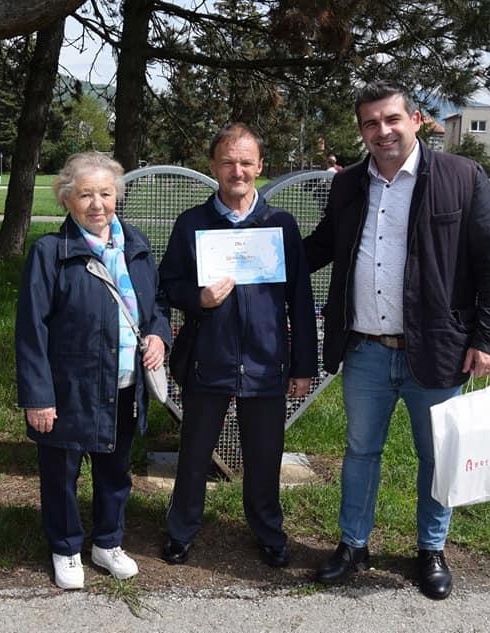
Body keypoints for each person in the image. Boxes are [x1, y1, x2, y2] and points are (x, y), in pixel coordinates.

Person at [303, 81, 490, 600]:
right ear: (362, 132)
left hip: (439, 348)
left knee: (437, 456)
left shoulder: (462, 177)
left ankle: (430, 549)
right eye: (371, 123)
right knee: (360, 452)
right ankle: (353, 545)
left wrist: (487, 337)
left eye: (392, 119)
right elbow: (325, 246)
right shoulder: (349, 184)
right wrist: (257, 256)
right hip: (366, 350)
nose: (383, 131)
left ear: (416, 120)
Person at [158, 123, 318, 569]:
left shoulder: (280, 225)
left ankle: (268, 531)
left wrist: (303, 366)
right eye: (228, 162)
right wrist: (198, 298)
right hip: (208, 359)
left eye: (247, 162)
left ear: (261, 167)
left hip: (267, 363)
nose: (238, 170)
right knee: (194, 453)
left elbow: (300, 302)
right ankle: (181, 531)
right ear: (213, 167)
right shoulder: (192, 222)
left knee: (265, 456)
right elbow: (168, 285)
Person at [15, 152, 171, 590]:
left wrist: (159, 336)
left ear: (117, 196)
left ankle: (107, 542)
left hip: (123, 386)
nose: (97, 203)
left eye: (105, 193)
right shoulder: (51, 253)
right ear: (67, 199)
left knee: (115, 472)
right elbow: (31, 331)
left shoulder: (135, 245)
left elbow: (154, 306)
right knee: (62, 475)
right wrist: (38, 397)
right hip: (69, 390)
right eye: (86, 194)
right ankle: (65, 548)